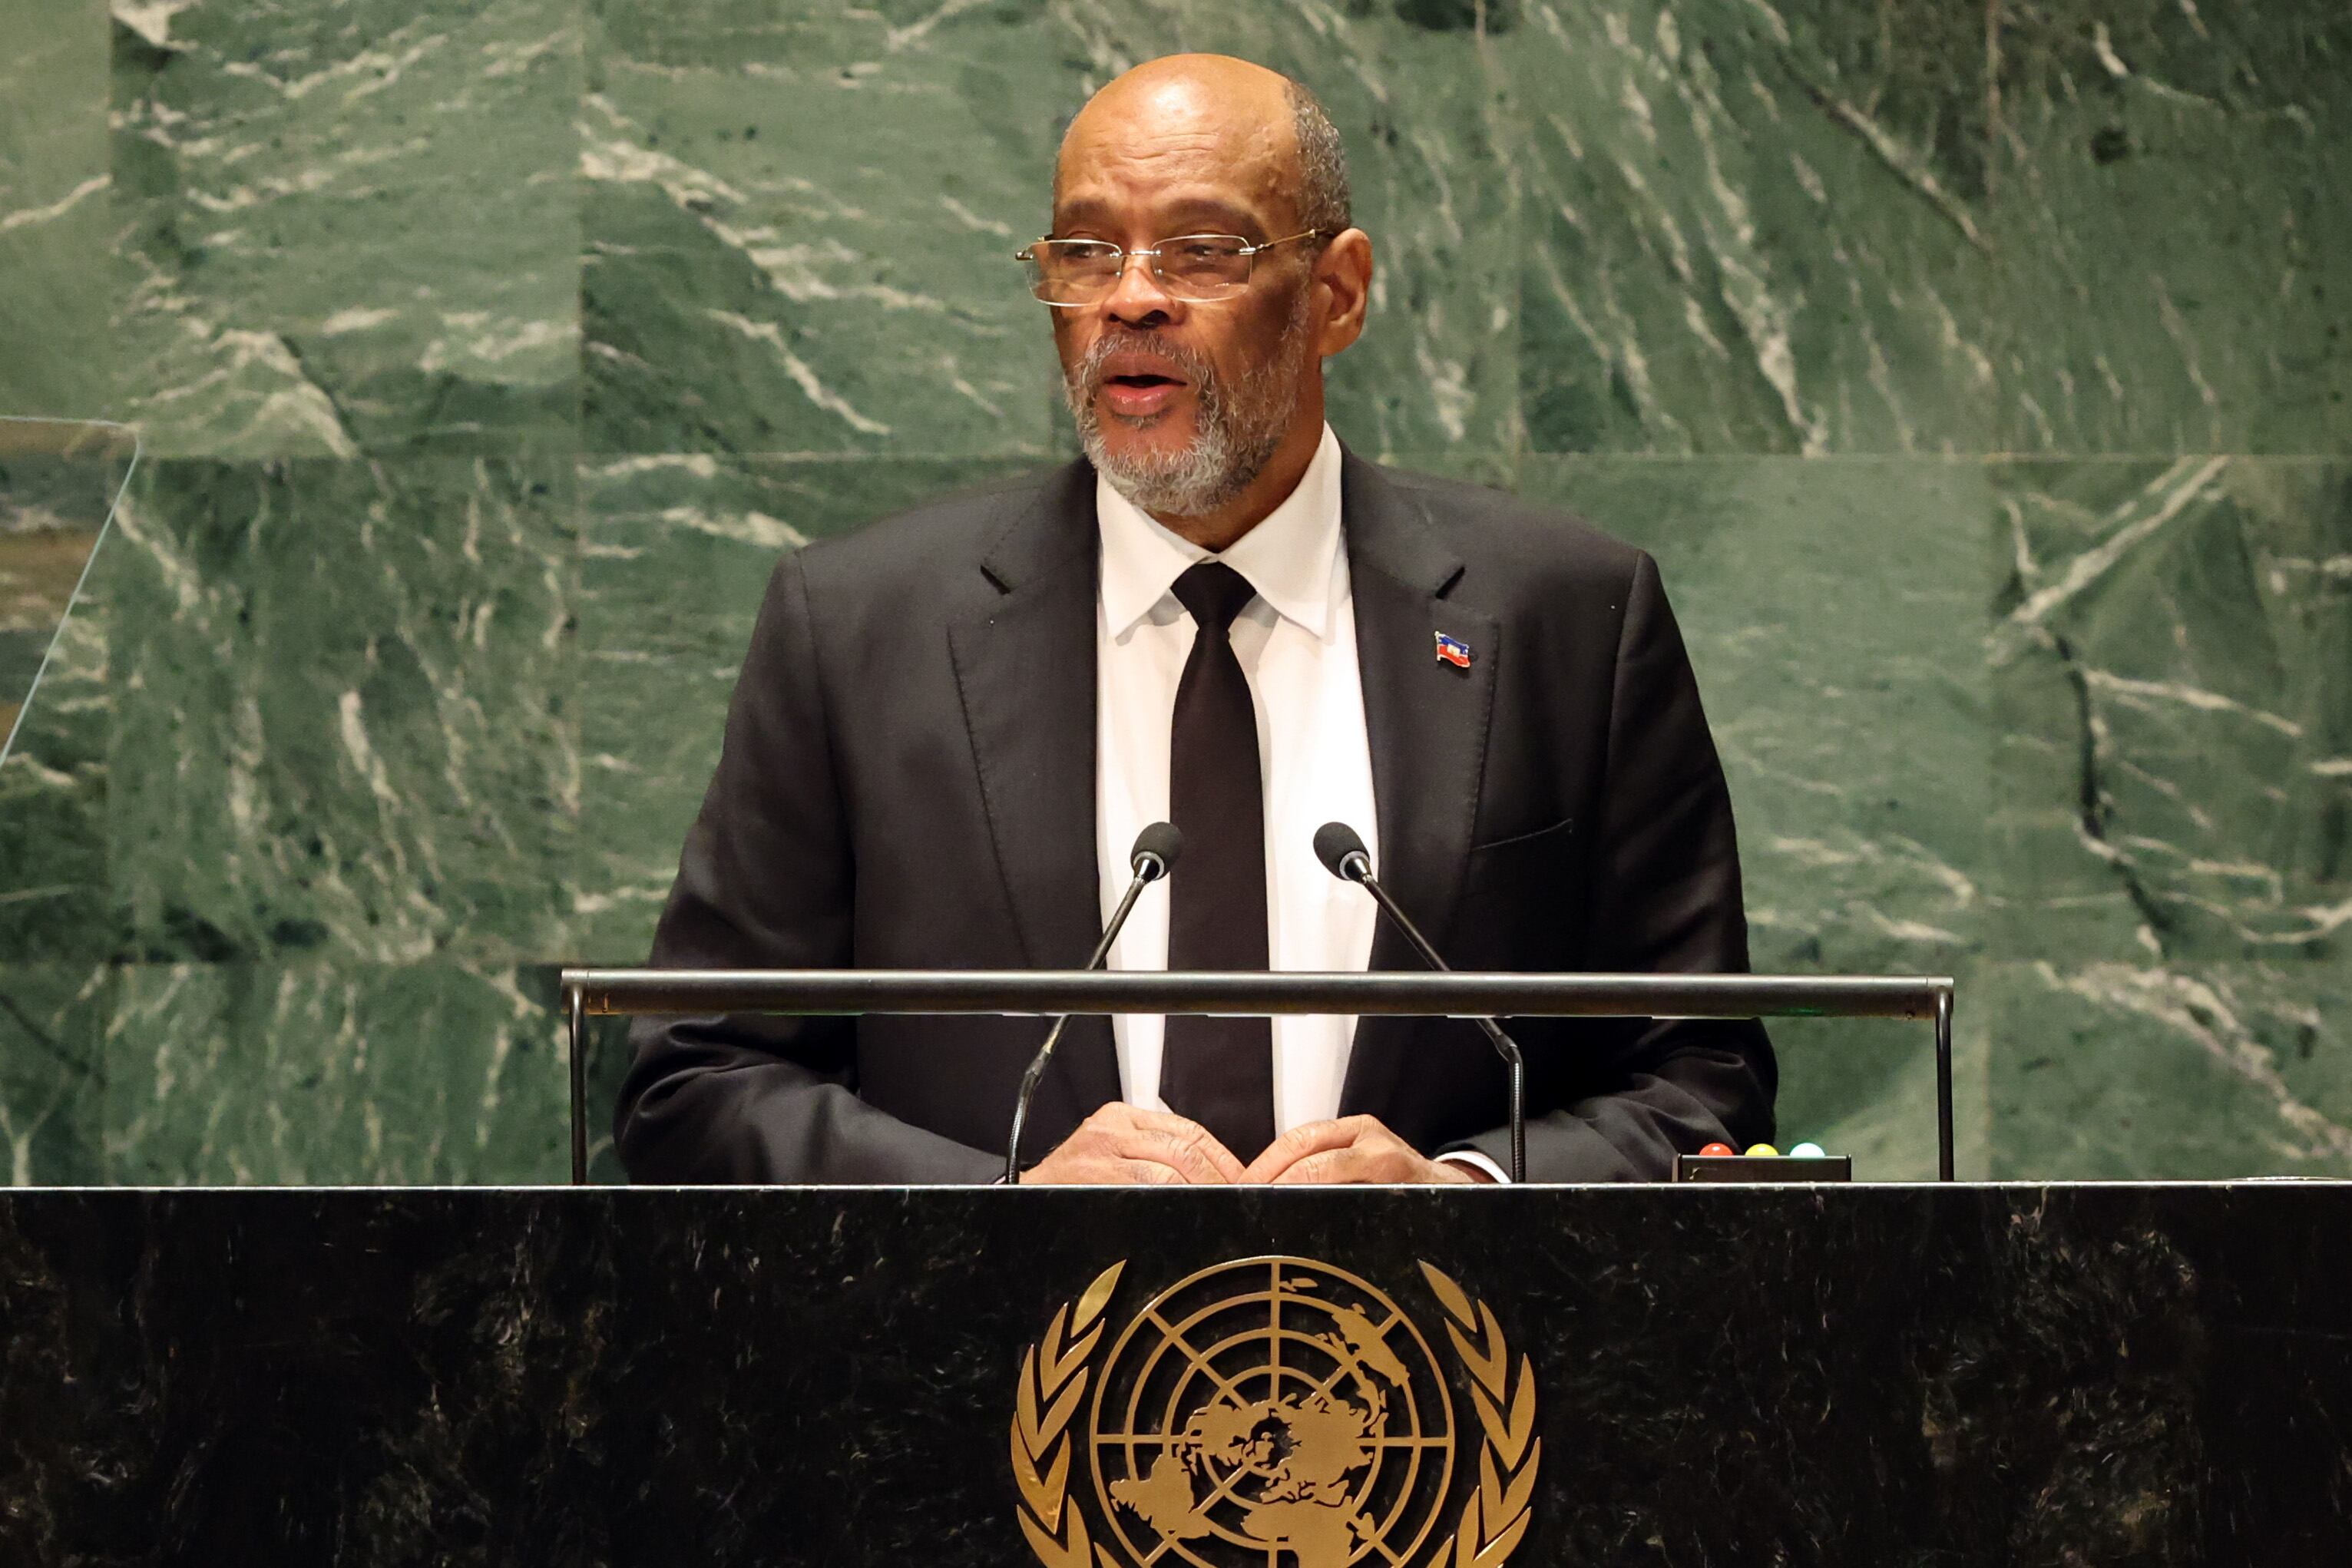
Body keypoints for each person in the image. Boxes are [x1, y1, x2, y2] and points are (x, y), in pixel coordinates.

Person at [614, 55, 1774, 1186]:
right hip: (986, 1370)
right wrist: (999, 1207)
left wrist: (1464, 1191)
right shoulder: (861, 632)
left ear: (1337, 294)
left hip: (1434, 1370)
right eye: (1085, 251)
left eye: (1202, 251)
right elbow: (696, 1082)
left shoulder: (1568, 617)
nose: (1130, 296)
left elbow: (1701, 1078)